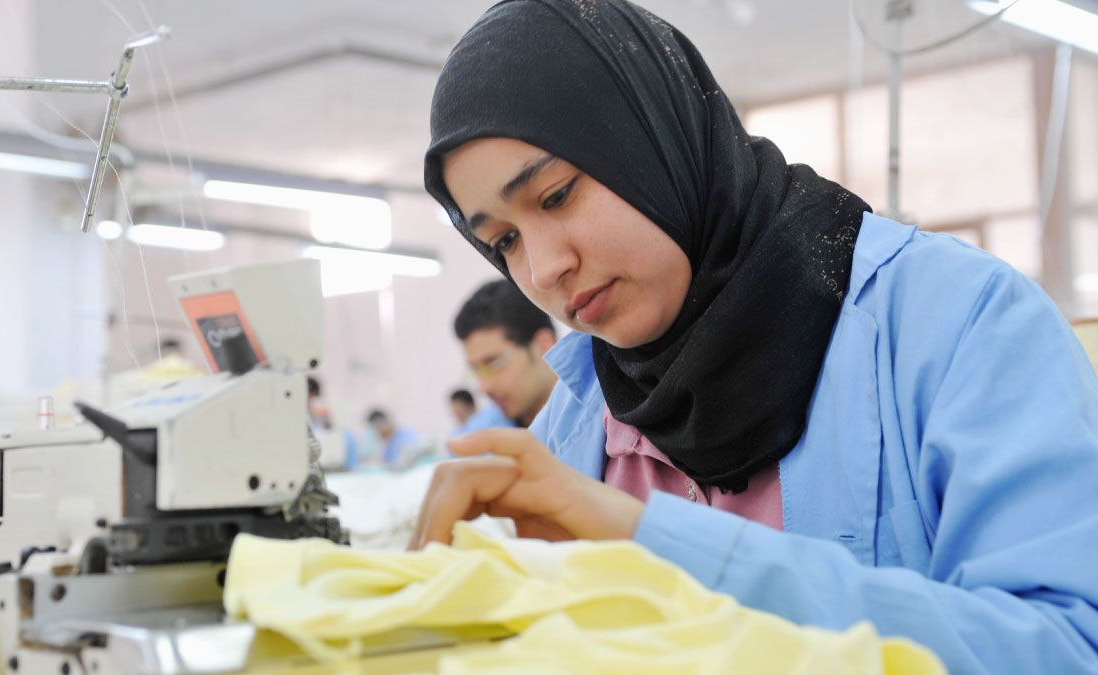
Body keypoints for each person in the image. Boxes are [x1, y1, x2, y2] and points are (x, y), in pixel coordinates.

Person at [409, 1, 1098, 672]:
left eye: (556, 195)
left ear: (650, 138)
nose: (544, 267)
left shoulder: (962, 323)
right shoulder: (577, 424)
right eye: (503, 241)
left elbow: (1067, 648)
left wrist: (650, 542)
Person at [453, 279, 558, 429]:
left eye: (494, 364)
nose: (484, 387)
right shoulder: (481, 434)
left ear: (544, 346)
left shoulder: (599, 419)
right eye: (476, 370)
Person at [364, 409, 435, 471]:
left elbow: (427, 444)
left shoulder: (406, 437)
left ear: (383, 424)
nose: (377, 434)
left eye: (376, 429)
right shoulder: (388, 444)